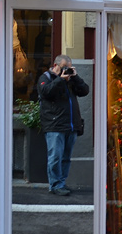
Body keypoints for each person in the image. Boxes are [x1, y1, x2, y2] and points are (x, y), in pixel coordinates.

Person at [37, 54, 89, 196]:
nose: (66, 70)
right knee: (55, 157)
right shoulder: (46, 78)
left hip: (70, 125)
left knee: (65, 158)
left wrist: (75, 77)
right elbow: (46, 92)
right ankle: (55, 185)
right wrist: (60, 80)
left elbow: (85, 91)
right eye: (64, 67)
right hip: (55, 125)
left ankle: (61, 183)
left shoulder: (70, 80)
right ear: (55, 66)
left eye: (69, 68)